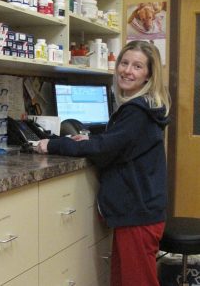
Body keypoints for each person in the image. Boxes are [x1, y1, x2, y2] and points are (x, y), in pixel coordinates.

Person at [35, 40, 170, 286]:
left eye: (138, 66)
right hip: (139, 209)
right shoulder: (143, 108)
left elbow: (104, 149)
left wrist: (54, 144)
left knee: (136, 281)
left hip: (138, 213)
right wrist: (90, 138)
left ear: (149, 75)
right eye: (125, 63)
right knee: (122, 279)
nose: (128, 71)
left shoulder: (137, 111)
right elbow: (119, 143)